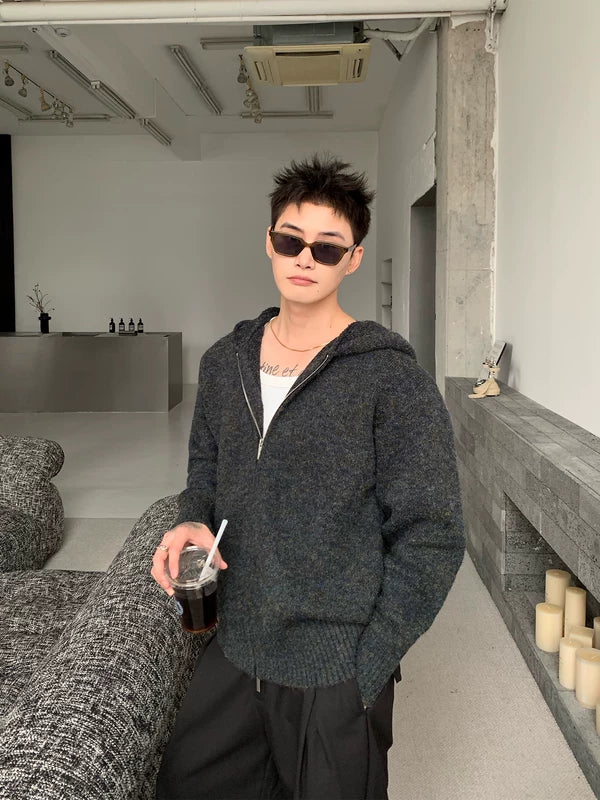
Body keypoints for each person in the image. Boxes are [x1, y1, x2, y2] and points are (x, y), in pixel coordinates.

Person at [152, 154, 465, 800]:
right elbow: (205, 467)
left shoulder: (390, 379)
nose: (305, 259)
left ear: (353, 259)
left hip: (334, 667)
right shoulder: (223, 363)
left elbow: (433, 533)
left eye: (327, 248)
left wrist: (370, 662)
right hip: (235, 646)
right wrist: (190, 518)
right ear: (269, 242)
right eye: (291, 240)